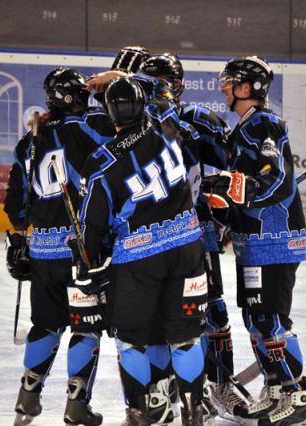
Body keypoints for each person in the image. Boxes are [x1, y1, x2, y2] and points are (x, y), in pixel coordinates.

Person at [78, 76, 208, 425]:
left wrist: (85, 264)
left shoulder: (102, 161)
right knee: (186, 337)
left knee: (132, 340)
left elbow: (93, 222)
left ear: (109, 112)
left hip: (139, 259)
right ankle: (194, 413)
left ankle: (139, 412)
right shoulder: (167, 126)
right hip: (188, 248)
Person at [201, 56, 306, 425]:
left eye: (229, 82)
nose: (223, 87)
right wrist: (226, 208)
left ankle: (298, 395)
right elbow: (245, 189)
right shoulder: (242, 129)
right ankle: (277, 387)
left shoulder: (264, 124)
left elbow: (276, 179)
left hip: (275, 240)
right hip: (254, 242)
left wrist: (237, 188)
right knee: (256, 318)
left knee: (272, 319)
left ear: (247, 87)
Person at [3, 68, 115, 426]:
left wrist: (19, 238)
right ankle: (76, 404)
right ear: (76, 97)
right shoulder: (84, 130)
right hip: (77, 250)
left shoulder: (30, 140)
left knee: (45, 324)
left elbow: (16, 201)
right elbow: (110, 174)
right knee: (85, 327)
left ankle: (28, 396)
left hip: (42, 252)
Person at [139, 53, 241, 421]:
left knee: (212, 307)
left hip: (196, 230)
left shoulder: (194, 119)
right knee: (154, 317)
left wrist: (226, 206)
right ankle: (161, 390)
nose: (157, 89)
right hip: (149, 237)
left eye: (163, 81)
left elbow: (233, 162)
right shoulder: (133, 125)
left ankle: (219, 383)